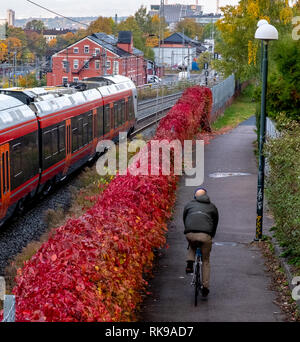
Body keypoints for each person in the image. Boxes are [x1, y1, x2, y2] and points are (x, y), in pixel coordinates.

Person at [183, 187, 219, 297]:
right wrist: (211, 234)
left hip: (190, 233)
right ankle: (205, 287)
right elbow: (215, 222)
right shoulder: (212, 207)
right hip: (205, 235)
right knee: (206, 260)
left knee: (192, 243)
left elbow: (185, 218)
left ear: (195, 197)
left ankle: (190, 262)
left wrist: (189, 229)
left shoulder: (189, 205)